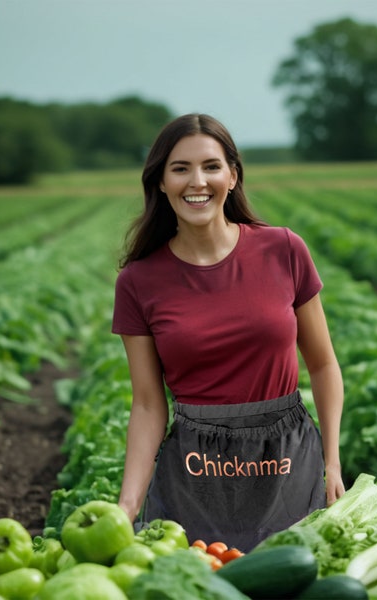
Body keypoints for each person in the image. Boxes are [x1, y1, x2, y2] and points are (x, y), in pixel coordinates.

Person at [112, 113, 345, 552]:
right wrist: (127, 505)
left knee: (289, 577)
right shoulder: (139, 282)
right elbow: (146, 403)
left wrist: (332, 464)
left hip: (287, 458)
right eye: (180, 168)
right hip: (197, 468)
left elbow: (323, 364)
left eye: (211, 166)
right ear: (161, 182)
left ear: (233, 176)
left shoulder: (285, 249)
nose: (196, 181)